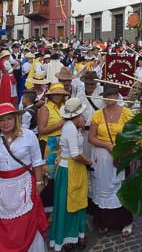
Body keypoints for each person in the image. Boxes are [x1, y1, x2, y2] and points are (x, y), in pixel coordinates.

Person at [0, 103, 48, 252]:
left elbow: (37, 160)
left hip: (25, 183)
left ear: (16, 119)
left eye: (9, 119)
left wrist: (39, 182)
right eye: (2, 120)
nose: (6, 123)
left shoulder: (28, 135)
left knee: (27, 221)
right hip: (1, 187)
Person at [88, 84, 134, 237]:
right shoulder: (98, 114)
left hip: (121, 156)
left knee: (122, 188)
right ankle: (104, 222)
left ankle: (126, 222)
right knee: (103, 189)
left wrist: (123, 148)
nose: (109, 98)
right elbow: (91, 137)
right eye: (106, 95)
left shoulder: (127, 113)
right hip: (101, 159)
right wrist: (107, 145)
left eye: (112, 94)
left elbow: (134, 135)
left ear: (117, 95)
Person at [48, 97, 92, 250]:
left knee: (78, 201)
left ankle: (79, 233)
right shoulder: (70, 129)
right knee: (69, 204)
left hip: (74, 169)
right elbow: (75, 154)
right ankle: (67, 237)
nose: (84, 118)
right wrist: (89, 162)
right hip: (70, 170)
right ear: (76, 116)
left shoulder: (72, 127)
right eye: (82, 115)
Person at [37, 83, 68, 213]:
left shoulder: (63, 107)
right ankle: (46, 209)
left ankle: (57, 206)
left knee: (59, 177)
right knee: (50, 178)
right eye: (55, 93)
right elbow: (41, 130)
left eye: (60, 94)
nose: (58, 96)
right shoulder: (45, 109)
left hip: (61, 144)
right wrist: (60, 124)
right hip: (49, 144)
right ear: (51, 95)